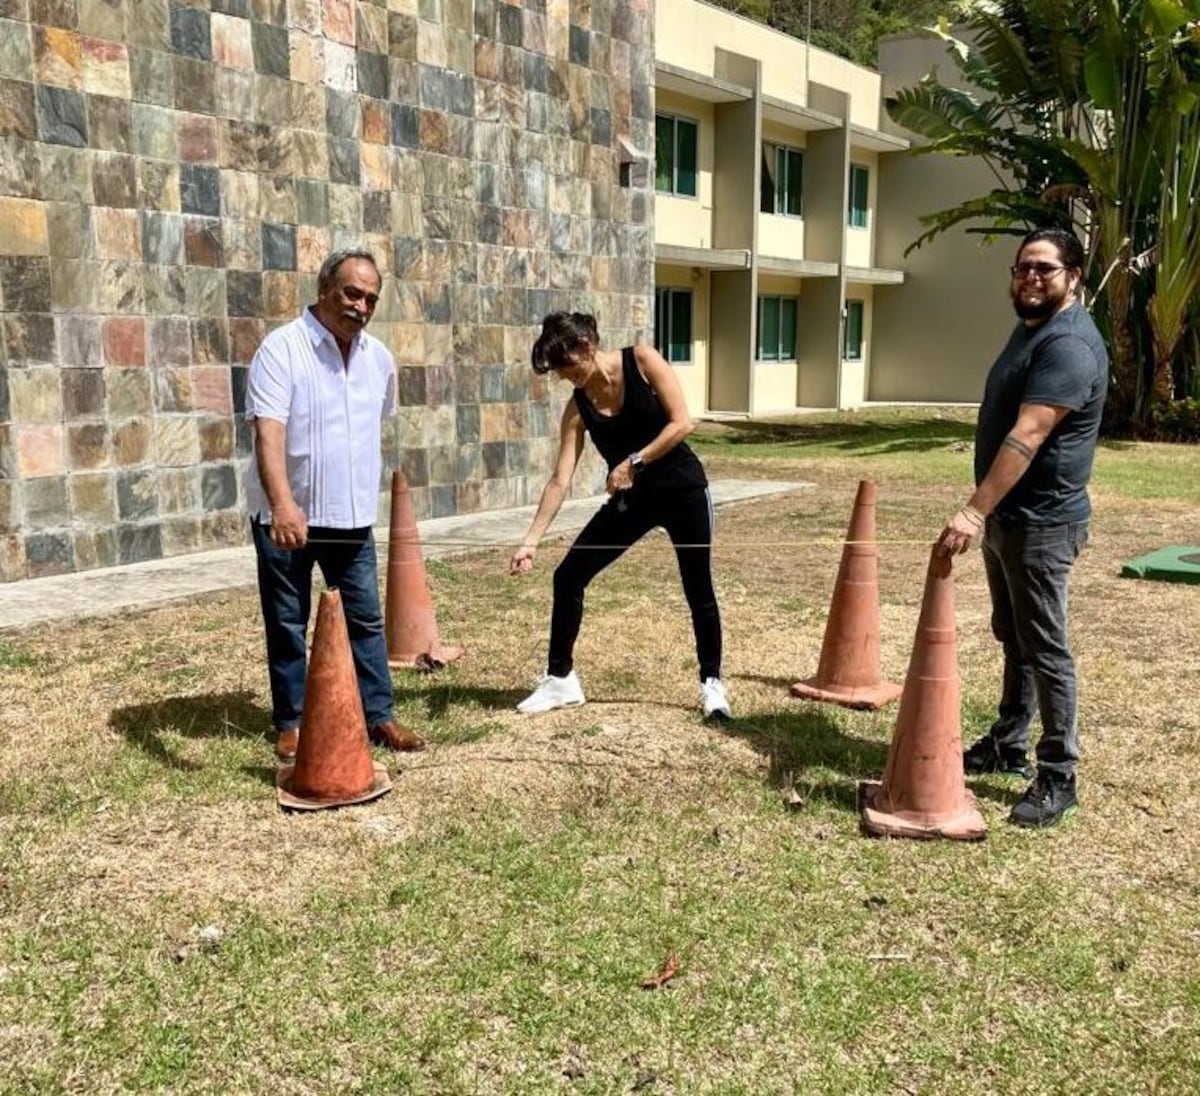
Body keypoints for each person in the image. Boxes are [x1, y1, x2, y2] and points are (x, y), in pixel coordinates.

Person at [937, 227, 1107, 828]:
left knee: (1046, 646)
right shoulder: (1032, 328)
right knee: (1014, 635)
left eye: (1044, 269)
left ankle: (1059, 773)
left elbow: (1028, 434)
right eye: (1022, 268)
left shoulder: (1068, 346)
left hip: (1042, 523)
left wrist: (972, 509)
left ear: (1074, 276)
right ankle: (1009, 742)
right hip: (1012, 518)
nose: (1030, 278)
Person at [243, 247, 425, 762]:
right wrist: (282, 503)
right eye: (352, 293)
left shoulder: (379, 359)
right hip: (288, 522)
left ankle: (379, 715)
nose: (361, 306)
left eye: (371, 298)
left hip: (351, 519)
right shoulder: (282, 349)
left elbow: (369, 430)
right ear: (324, 289)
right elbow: (268, 434)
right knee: (287, 621)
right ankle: (293, 723)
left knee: (366, 621)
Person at [509, 311, 731, 720]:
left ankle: (712, 685)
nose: (563, 375)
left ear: (586, 345)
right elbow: (560, 480)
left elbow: (683, 423)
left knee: (698, 588)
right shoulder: (578, 409)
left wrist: (634, 461)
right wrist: (531, 540)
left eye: (565, 363)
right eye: (556, 370)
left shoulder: (642, 361)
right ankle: (560, 680)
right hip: (634, 501)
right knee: (569, 575)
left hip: (684, 491)